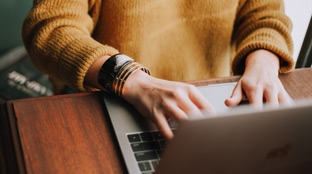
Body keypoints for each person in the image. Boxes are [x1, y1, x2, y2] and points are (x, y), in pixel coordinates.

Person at [22, 0, 295, 140]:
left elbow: (266, 15)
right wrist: (129, 78)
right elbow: (50, 28)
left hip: (210, 107)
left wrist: (264, 61)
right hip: (106, 98)